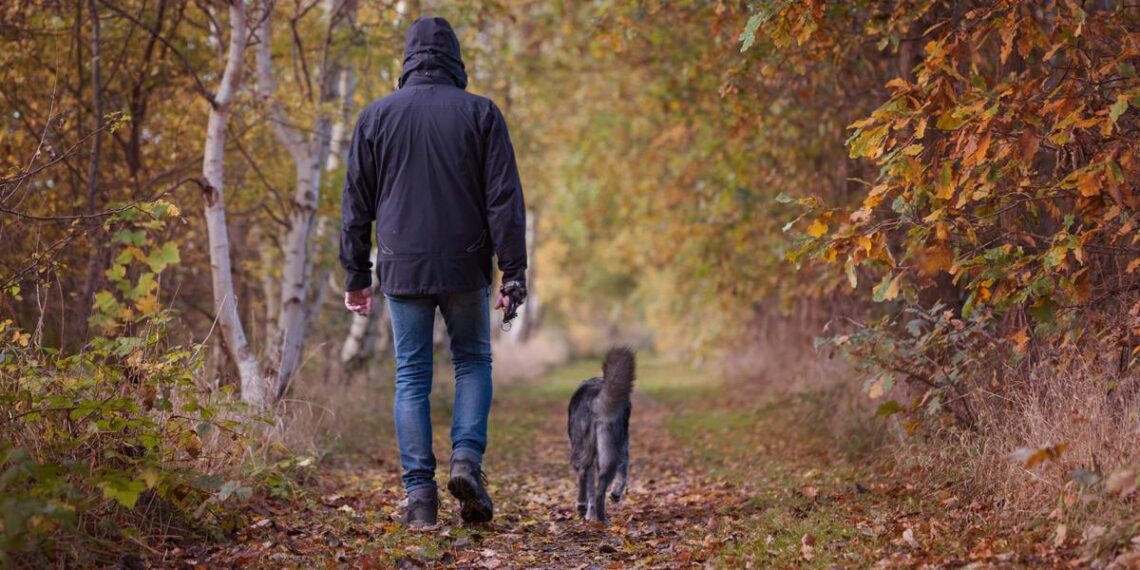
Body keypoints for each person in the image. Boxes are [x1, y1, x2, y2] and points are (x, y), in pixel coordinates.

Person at [338, 16, 527, 528]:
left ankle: (420, 497)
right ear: (455, 58)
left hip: (401, 266)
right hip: (466, 263)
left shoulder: (376, 117)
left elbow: (356, 203)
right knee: (472, 362)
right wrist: (513, 271)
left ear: (408, 58)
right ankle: (466, 460)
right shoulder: (481, 114)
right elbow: (503, 199)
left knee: (411, 377)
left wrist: (356, 273)